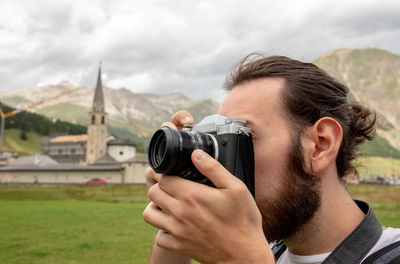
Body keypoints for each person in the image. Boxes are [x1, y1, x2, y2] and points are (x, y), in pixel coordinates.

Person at [142, 54, 400, 264]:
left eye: (242, 139)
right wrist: (174, 217)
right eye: (221, 145)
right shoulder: (267, 251)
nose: (218, 167)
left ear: (321, 145)